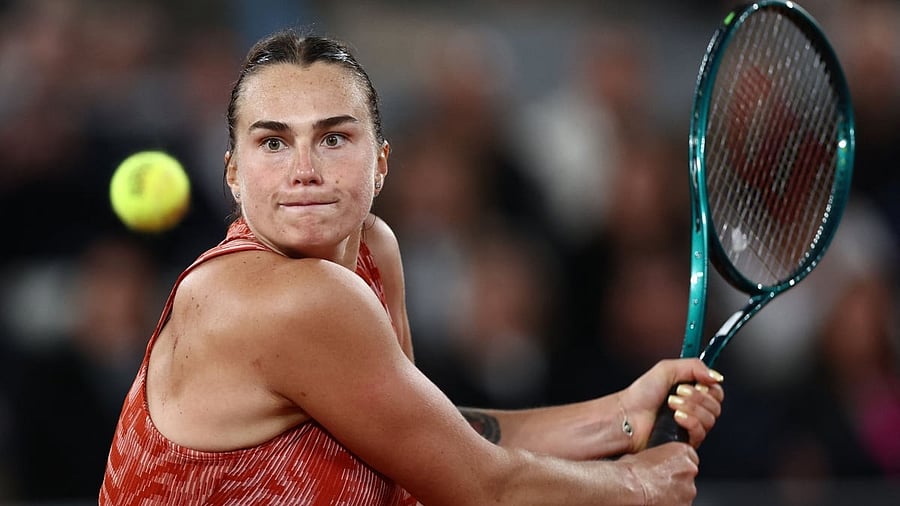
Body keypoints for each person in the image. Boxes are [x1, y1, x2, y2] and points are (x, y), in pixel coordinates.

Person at [100, 29, 725, 505]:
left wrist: (619, 416)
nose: (305, 169)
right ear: (232, 174)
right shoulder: (281, 298)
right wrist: (634, 486)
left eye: (335, 137)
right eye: (272, 142)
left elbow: (431, 437)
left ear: (382, 163)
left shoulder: (373, 248)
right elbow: (482, 488)